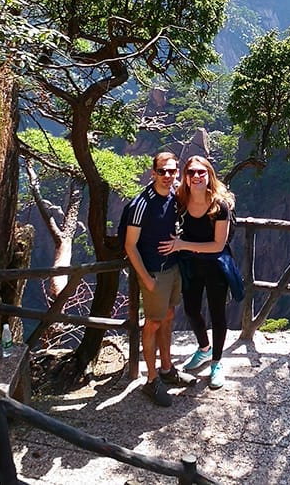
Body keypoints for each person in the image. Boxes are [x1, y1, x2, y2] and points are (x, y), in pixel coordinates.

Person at [124, 151, 196, 406]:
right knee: (153, 322)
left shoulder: (175, 195)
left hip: (173, 268)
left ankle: (167, 369)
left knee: (168, 316)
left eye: (172, 171)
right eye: (162, 171)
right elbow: (130, 246)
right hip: (155, 272)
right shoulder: (142, 204)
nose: (167, 176)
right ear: (153, 172)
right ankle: (151, 380)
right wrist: (147, 279)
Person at [158, 155, 235, 389]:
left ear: (209, 174)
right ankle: (204, 349)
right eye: (191, 172)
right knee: (191, 310)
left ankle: (217, 362)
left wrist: (182, 245)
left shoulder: (219, 206)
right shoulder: (181, 200)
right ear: (186, 177)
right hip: (191, 265)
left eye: (201, 172)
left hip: (216, 265)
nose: (196, 176)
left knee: (217, 314)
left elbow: (218, 245)